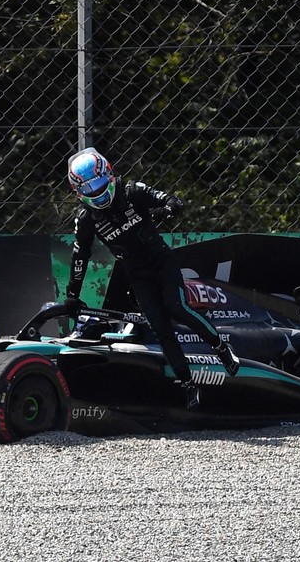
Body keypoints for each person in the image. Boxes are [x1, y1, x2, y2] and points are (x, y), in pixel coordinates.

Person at [63, 148, 240, 409]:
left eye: (100, 185)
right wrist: (72, 295)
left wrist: (167, 209)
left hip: (161, 262)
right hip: (137, 274)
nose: (98, 193)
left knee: (177, 307)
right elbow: (80, 256)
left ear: (109, 175)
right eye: (90, 189)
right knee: (159, 327)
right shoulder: (87, 219)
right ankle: (187, 384)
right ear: (79, 192)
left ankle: (221, 348)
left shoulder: (131, 191)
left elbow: (172, 200)